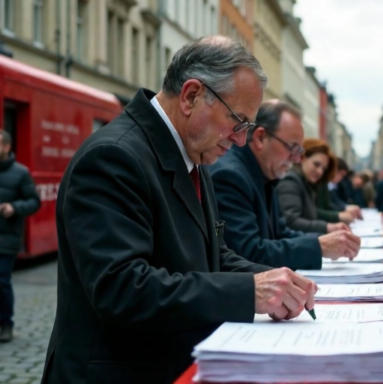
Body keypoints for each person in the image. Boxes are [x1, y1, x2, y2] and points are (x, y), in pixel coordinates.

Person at [42, 36, 318, 384]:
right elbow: (122, 289)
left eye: (246, 127)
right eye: (237, 121)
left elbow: (212, 255)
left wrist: (277, 279)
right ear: (191, 96)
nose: (240, 140)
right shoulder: (114, 157)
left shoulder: (193, 152)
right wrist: (250, 292)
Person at [209, 101, 360, 270]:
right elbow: (247, 253)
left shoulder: (265, 172)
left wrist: (323, 240)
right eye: (292, 148)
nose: (296, 159)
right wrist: (319, 246)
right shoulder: (232, 176)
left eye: (299, 151)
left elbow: (280, 233)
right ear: (260, 138)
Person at [0, 130, 40, 343]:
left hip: (6, 238)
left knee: (2, 281)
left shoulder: (21, 173)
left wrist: (14, 207)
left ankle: (6, 324)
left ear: (6, 147)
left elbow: (34, 202)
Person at [277, 139, 353, 233]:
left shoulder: (306, 183)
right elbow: (290, 221)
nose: (320, 171)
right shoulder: (291, 181)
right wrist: (327, 227)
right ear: (302, 158)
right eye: (316, 164)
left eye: (323, 169)